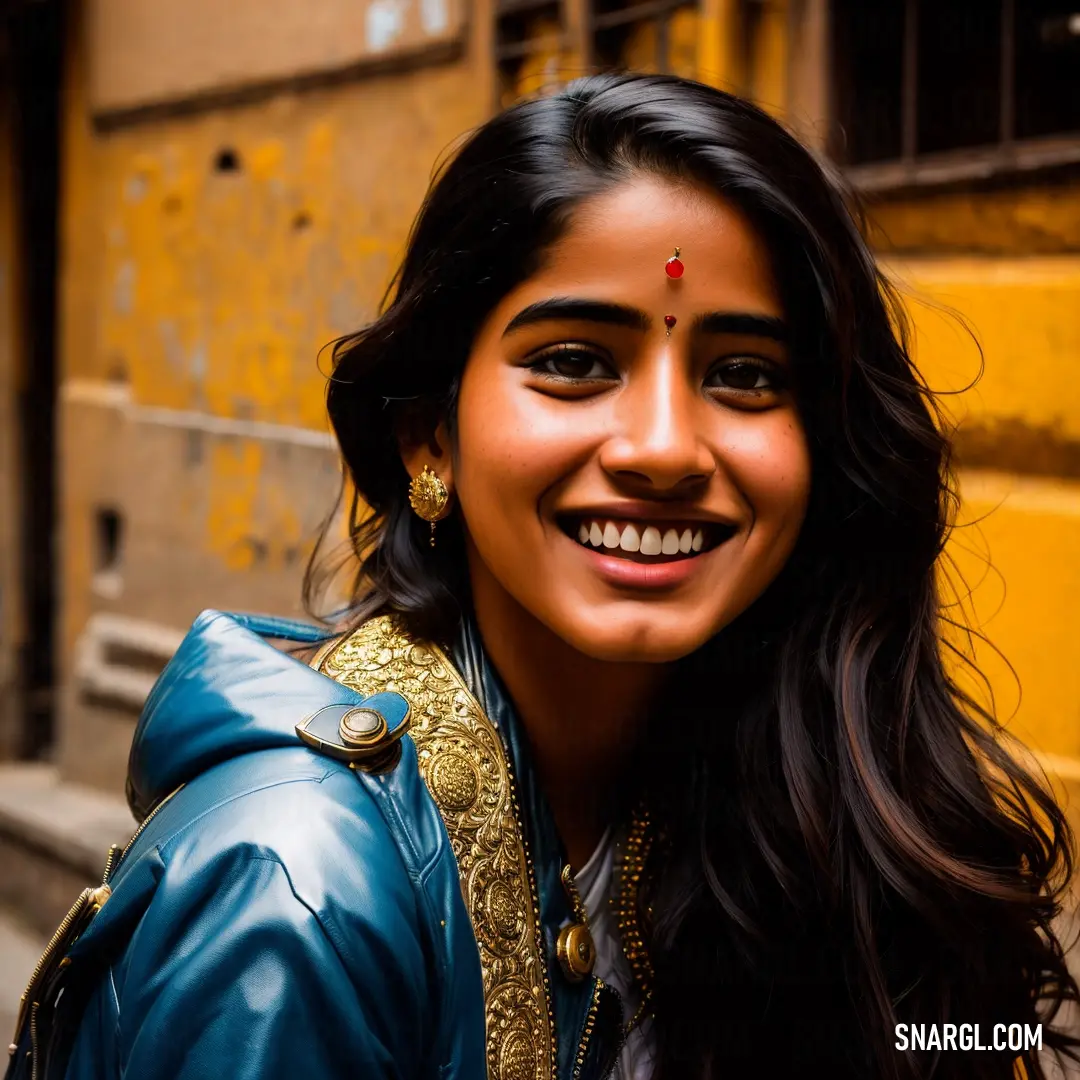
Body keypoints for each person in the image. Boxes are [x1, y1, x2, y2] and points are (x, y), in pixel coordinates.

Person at [9, 73, 1078, 1080]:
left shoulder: (775, 777)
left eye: (745, 375)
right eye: (574, 362)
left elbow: (958, 1038)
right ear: (429, 440)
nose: (663, 447)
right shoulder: (295, 892)